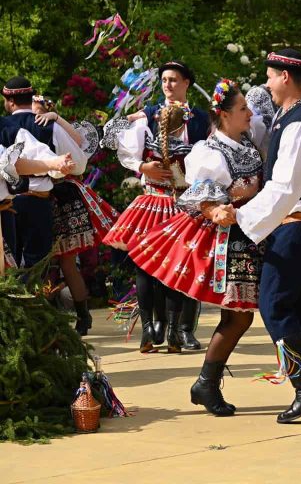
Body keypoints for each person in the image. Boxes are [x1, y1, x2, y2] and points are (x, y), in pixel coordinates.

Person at [216, 48, 301, 423]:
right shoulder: (289, 118)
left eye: (271, 76)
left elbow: (286, 186)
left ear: (286, 77)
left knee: (274, 306)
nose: (268, 84)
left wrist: (241, 216)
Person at [128, 79, 267, 416]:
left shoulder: (245, 144)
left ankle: (208, 382)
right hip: (226, 242)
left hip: (250, 234)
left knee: (243, 317)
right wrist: (214, 209)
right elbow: (199, 195)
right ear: (223, 114)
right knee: (239, 317)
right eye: (243, 109)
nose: (250, 113)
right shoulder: (210, 151)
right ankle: (207, 382)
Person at [103, 61, 210, 351]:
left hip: (186, 202)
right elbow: (124, 146)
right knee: (146, 265)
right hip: (152, 201)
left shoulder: (201, 118)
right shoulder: (148, 115)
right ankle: (153, 328)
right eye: (164, 79)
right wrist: (142, 166)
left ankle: (182, 329)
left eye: (174, 80)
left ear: (187, 83)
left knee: (185, 264)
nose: (168, 85)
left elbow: (213, 157)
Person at [32, 96, 120, 335]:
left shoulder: (50, 128)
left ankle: (80, 316)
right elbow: (80, 147)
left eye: (38, 111)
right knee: (48, 262)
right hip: (53, 196)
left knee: (61, 261)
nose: (35, 116)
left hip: (59, 197)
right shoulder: (49, 128)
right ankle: (72, 316)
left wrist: (57, 120)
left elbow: (79, 156)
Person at [1, 77, 86, 269]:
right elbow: (79, 165)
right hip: (36, 202)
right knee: (37, 265)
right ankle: (34, 298)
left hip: (6, 203)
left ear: (10, 101)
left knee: (8, 268)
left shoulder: (3, 126)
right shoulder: (48, 125)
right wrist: (57, 165)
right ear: (30, 97)